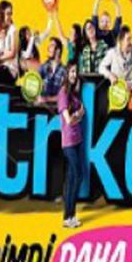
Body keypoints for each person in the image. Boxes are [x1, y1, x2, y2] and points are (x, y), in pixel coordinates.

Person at [58, 62, 85, 229]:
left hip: (77, 139)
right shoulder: (63, 93)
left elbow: (80, 116)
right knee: (78, 175)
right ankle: (69, 215)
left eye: (76, 71)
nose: (74, 74)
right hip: (68, 141)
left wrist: (78, 115)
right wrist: (78, 114)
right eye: (72, 71)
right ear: (67, 74)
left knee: (71, 179)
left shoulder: (74, 93)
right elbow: (68, 120)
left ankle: (69, 216)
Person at [38, 37, 67, 104]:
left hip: (58, 108)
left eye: (51, 45)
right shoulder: (43, 67)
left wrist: (47, 99)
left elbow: (64, 95)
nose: (48, 48)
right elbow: (35, 88)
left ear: (58, 50)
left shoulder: (64, 71)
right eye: (49, 46)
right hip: (41, 107)